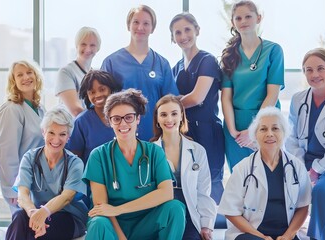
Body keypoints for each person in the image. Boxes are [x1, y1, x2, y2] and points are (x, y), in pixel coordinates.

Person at [83, 89, 185, 240]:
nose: (123, 123)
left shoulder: (154, 152)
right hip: (113, 225)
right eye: (116, 118)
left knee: (175, 208)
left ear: (138, 119)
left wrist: (118, 209)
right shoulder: (98, 156)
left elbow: (166, 193)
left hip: (146, 222)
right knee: (98, 222)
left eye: (129, 117)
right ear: (109, 121)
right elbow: (102, 208)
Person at [286, 48, 325, 240]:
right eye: (309, 70)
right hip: (304, 161)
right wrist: (299, 165)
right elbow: (291, 138)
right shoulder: (298, 99)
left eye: (320, 69)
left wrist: (317, 169)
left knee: (322, 191)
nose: (315, 75)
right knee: (283, 187)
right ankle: (287, 236)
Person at [218, 107, 311, 240]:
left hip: (287, 233)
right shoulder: (242, 168)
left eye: (275, 128)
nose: (269, 134)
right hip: (251, 233)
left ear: (284, 133)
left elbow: (303, 206)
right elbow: (230, 211)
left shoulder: (297, 166)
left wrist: (287, 236)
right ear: (255, 135)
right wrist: (261, 236)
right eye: (263, 129)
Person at [220, 0, 284, 171]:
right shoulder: (229, 56)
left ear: (259, 18)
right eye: (238, 18)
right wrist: (233, 131)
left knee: (268, 174)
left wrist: (254, 130)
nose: (243, 21)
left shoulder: (273, 50)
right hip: (235, 125)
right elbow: (225, 97)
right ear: (233, 22)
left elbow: (272, 94)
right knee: (240, 178)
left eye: (248, 16)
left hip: (266, 123)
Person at [6, 106, 87, 240]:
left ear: (68, 137)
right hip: (37, 213)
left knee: (38, 233)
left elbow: (66, 197)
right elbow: (22, 194)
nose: (56, 140)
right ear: (43, 132)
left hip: (68, 216)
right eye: (51, 133)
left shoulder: (75, 163)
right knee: (19, 216)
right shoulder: (30, 158)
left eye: (62, 134)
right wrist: (33, 213)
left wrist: (44, 213)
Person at [169, 12, 225, 204]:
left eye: (187, 30)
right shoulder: (176, 67)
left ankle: (218, 227)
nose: (183, 36)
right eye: (177, 32)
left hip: (207, 130)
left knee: (212, 180)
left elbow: (197, 97)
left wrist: (174, 105)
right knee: (189, 179)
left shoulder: (207, 60)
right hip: (185, 131)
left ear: (197, 31)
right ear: (173, 37)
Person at [101, 5, 179, 141]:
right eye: (136, 22)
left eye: (146, 23)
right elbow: (101, 102)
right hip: (122, 135)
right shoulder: (112, 62)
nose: (140, 27)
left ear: (152, 28)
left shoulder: (162, 63)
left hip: (155, 136)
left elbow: (171, 102)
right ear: (128, 25)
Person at [151, 95, 217, 240]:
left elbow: (203, 192)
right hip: (160, 215)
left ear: (182, 116)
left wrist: (206, 224)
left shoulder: (197, 151)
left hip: (189, 213)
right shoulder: (149, 152)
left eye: (174, 113)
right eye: (163, 115)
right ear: (157, 119)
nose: (169, 119)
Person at [0, 60, 45, 213]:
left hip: (37, 182)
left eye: (29, 72)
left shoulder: (40, 108)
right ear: (14, 81)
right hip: (19, 184)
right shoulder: (11, 109)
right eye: (20, 75)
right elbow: (7, 152)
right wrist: (12, 190)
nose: (26, 77)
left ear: (36, 76)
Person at [67, 70, 122, 164]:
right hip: (92, 176)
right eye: (92, 92)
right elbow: (74, 158)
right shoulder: (81, 122)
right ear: (86, 95)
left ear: (111, 89)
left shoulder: (123, 116)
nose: (97, 95)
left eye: (102, 89)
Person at [55, 26, 101, 117]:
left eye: (92, 45)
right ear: (77, 46)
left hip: (88, 127)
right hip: (70, 128)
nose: (88, 49)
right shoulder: (66, 72)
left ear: (98, 48)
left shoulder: (97, 75)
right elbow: (76, 110)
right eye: (83, 44)